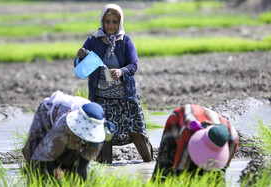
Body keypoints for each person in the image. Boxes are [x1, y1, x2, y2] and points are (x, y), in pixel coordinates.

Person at [74, 4, 153, 164]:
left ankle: (149, 162)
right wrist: (80, 57)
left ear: (120, 22)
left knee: (137, 132)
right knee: (104, 134)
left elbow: (133, 65)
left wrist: (121, 71)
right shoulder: (93, 41)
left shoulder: (125, 41)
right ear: (102, 21)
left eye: (115, 22)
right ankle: (106, 168)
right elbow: (79, 67)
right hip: (101, 98)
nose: (111, 26)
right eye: (107, 21)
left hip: (125, 97)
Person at [22, 91, 114, 181]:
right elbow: (40, 159)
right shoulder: (64, 125)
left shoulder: (100, 132)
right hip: (47, 114)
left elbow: (84, 162)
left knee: (74, 167)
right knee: (37, 161)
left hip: (71, 126)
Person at [152, 104, 239, 181]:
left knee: (213, 176)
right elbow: (179, 170)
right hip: (179, 119)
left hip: (204, 119)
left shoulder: (233, 139)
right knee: (164, 170)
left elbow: (221, 171)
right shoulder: (188, 133)